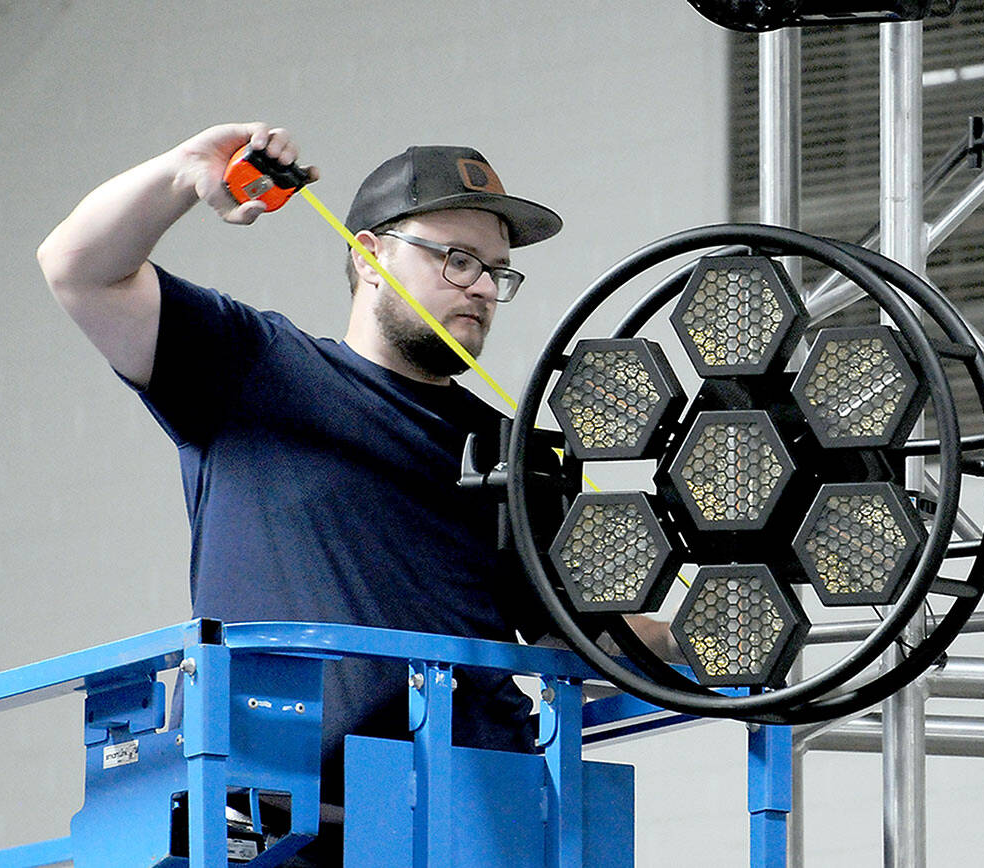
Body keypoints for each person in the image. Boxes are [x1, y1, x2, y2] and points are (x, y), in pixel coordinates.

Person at [37, 122, 669, 863]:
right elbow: (77, 267)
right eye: (457, 258)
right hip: (278, 822)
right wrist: (182, 175)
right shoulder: (255, 370)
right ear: (370, 254)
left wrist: (726, 634)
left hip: (473, 818)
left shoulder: (515, 450)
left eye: (498, 271)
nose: (483, 288)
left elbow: (583, 645)